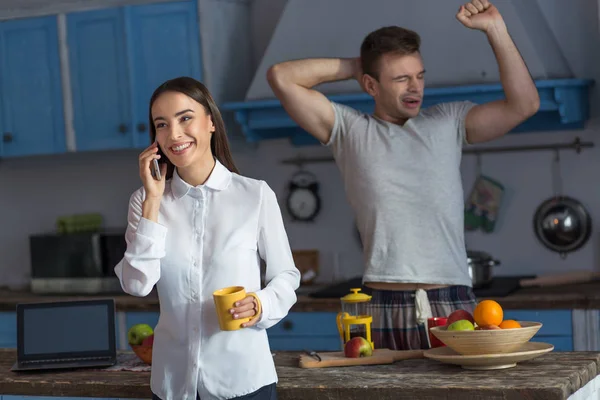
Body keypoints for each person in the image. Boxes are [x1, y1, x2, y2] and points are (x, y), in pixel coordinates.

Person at [266, 0, 539, 350]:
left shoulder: (449, 121)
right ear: (371, 85)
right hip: (378, 304)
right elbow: (281, 77)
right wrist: (356, 65)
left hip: (451, 302)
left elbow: (525, 105)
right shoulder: (349, 130)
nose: (415, 87)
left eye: (420, 75)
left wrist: (495, 29)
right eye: (401, 78)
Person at [114, 76, 300, 400]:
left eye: (185, 118)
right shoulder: (144, 203)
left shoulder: (255, 195)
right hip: (174, 386)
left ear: (210, 122)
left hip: (244, 383)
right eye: (162, 124)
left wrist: (261, 304)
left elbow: (286, 275)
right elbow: (136, 284)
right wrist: (153, 202)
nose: (174, 134)